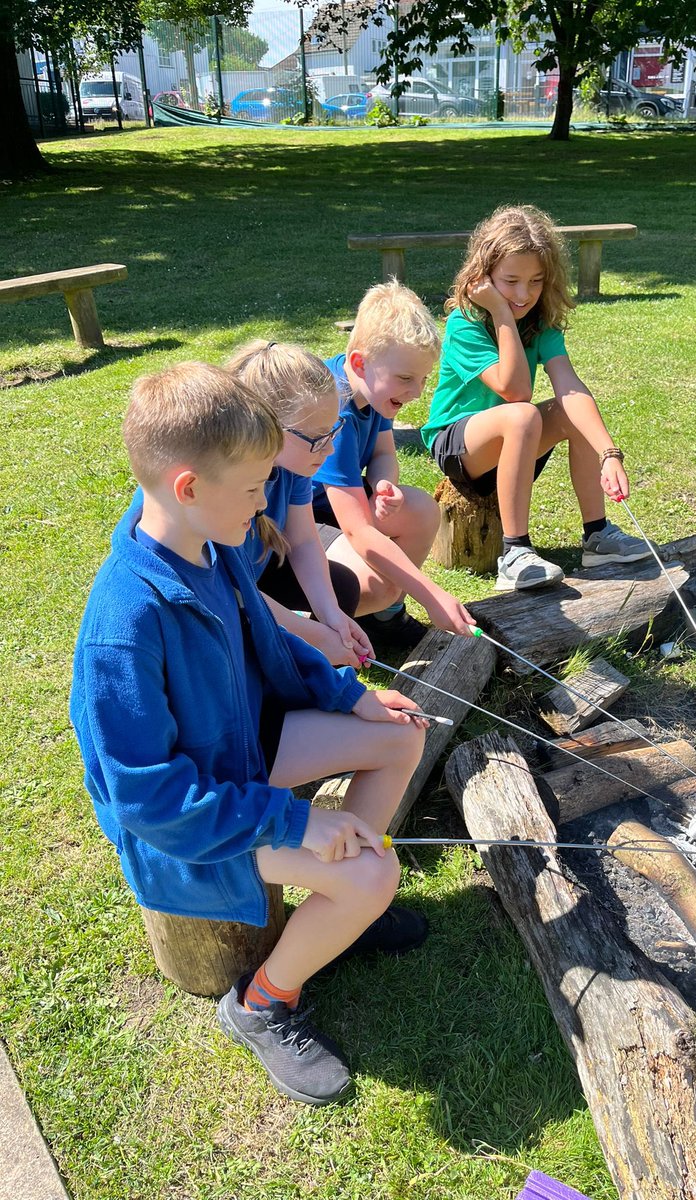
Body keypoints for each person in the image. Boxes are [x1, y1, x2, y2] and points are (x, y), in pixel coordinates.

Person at [70, 362, 429, 1106]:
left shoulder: (213, 544)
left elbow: (271, 643)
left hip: (242, 752)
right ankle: (263, 1000)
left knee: (399, 737)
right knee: (373, 873)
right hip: (191, 826)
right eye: (253, 486)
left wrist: (347, 696)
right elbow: (148, 799)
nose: (266, 501)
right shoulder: (123, 624)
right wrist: (293, 820)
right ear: (188, 487)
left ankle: (342, 911)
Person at [421, 204, 653, 592]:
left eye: (536, 281)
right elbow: (515, 390)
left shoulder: (541, 322)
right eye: (510, 281)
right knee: (523, 414)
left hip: (514, 438)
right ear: (484, 275)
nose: (523, 293)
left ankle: (597, 536)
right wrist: (500, 312)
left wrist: (608, 454)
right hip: (458, 446)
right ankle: (514, 554)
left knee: (569, 411)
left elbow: (570, 387)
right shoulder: (465, 321)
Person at [312, 279, 474, 651]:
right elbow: (357, 531)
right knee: (377, 584)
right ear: (359, 363)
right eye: (405, 379)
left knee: (419, 509)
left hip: (338, 504)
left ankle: (383, 619)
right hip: (294, 520)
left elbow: (384, 453)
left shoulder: (374, 392)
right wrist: (432, 596)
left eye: (422, 379)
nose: (416, 391)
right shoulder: (332, 411)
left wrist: (384, 484)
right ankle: (324, 633)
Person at [227, 340, 372, 669]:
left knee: (342, 590)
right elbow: (231, 588)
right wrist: (312, 635)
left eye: (333, 431)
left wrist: (329, 615)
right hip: (224, 596)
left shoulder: (295, 462)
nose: (330, 449)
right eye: (319, 437)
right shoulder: (227, 483)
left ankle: (312, 678)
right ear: (268, 427)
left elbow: (304, 540)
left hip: (254, 575)